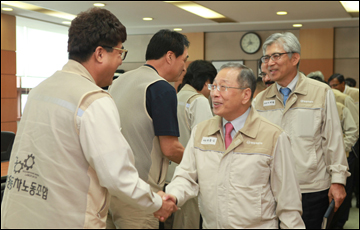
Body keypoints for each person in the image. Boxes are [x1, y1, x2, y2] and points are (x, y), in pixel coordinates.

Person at [0, 8, 177, 229]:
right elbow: (118, 176)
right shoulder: (93, 100)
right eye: (120, 52)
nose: (120, 61)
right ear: (100, 53)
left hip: (19, 217)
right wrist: (157, 202)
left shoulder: (39, 90)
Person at [163, 63, 305, 228]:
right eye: (213, 86)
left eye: (223, 87)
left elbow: (289, 202)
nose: (214, 93)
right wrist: (172, 195)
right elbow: (186, 176)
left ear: (246, 95)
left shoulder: (273, 137)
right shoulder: (201, 132)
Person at [253, 32, 350, 229]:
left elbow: (333, 139)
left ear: (294, 57)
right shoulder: (260, 101)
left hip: (311, 188)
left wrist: (338, 180)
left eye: (276, 56)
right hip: (272, 190)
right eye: (266, 58)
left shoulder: (321, 92)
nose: (269, 63)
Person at [107, 29, 188, 229]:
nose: (184, 67)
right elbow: (170, 148)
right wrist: (202, 163)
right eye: (184, 59)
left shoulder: (117, 82)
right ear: (170, 56)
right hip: (139, 193)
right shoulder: (162, 88)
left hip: (109, 187)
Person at [165, 60, 217, 229]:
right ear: (207, 82)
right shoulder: (198, 100)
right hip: (191, 177)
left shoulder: (175, 96)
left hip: (170, 174)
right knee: (187, 223)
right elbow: (206, 144)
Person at [308, 73, 358, 229]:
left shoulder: (341, 100)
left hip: (342, 156)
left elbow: (353, 129)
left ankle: (338, 223)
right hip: (317, 162)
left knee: (340, 193)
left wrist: (342, 149)